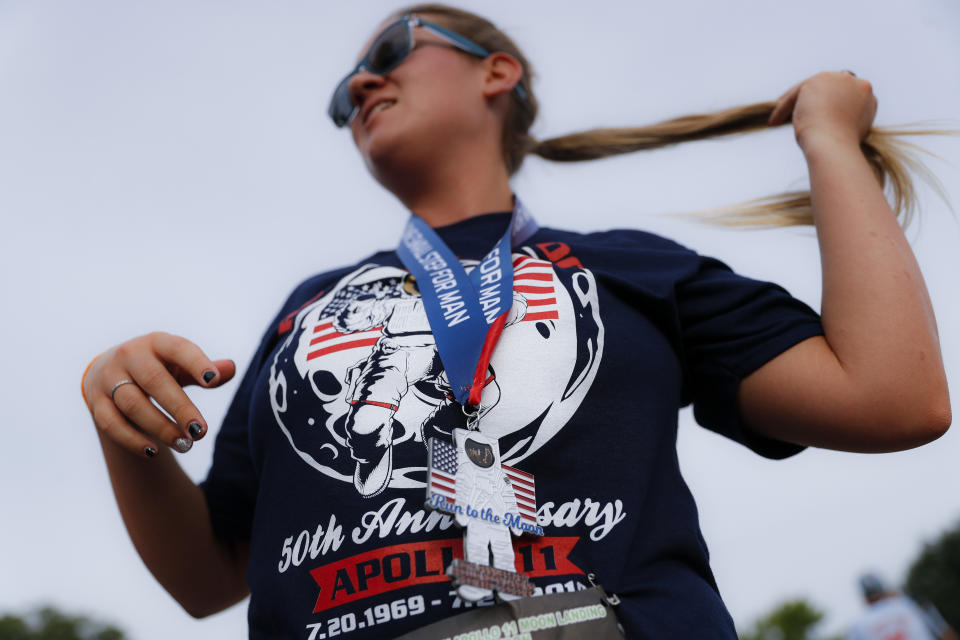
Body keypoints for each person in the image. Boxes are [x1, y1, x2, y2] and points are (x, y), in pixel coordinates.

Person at [79, 4, 953, 638]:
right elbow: (205, 578)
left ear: (498, 73)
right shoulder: (312, 306)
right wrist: (123, 419)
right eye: (345, 98)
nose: (360, 84)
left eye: (390, 51)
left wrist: (829, 142)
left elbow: (892, 400)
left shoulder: (631, 268)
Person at [847, 574, 958, 640]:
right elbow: (944, 631)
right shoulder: (912, 602)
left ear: (865, 598)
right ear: (884, 590)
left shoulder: (858, 624)